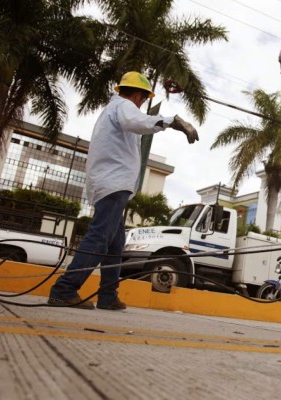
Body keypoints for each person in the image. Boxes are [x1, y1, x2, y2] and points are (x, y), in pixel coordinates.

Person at [48, 71, 199, 311]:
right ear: (138, 95)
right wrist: (173, 121)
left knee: (115, 245)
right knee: (98, 239)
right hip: (113, 184)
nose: (141, 103)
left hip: (111, 184)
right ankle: (63, 289)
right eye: (143, 98)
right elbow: (137, 122)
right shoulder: (124, 106)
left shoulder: (113, 109)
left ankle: (108, 297)